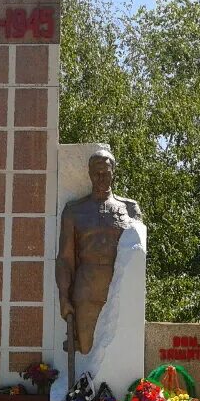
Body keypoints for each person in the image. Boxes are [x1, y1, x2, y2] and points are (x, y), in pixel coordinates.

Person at [55, 149, 142, 354]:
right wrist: (63, 297)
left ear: (114, 172)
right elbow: (65, 259)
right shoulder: (74, 210)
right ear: (89, 173)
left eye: (106, 172)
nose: (101, 177)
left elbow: (138, 255)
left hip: (120, 286)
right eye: (96, 172)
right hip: (86, 288)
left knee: (122, 354)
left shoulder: (130, 209)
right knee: (87, 352)